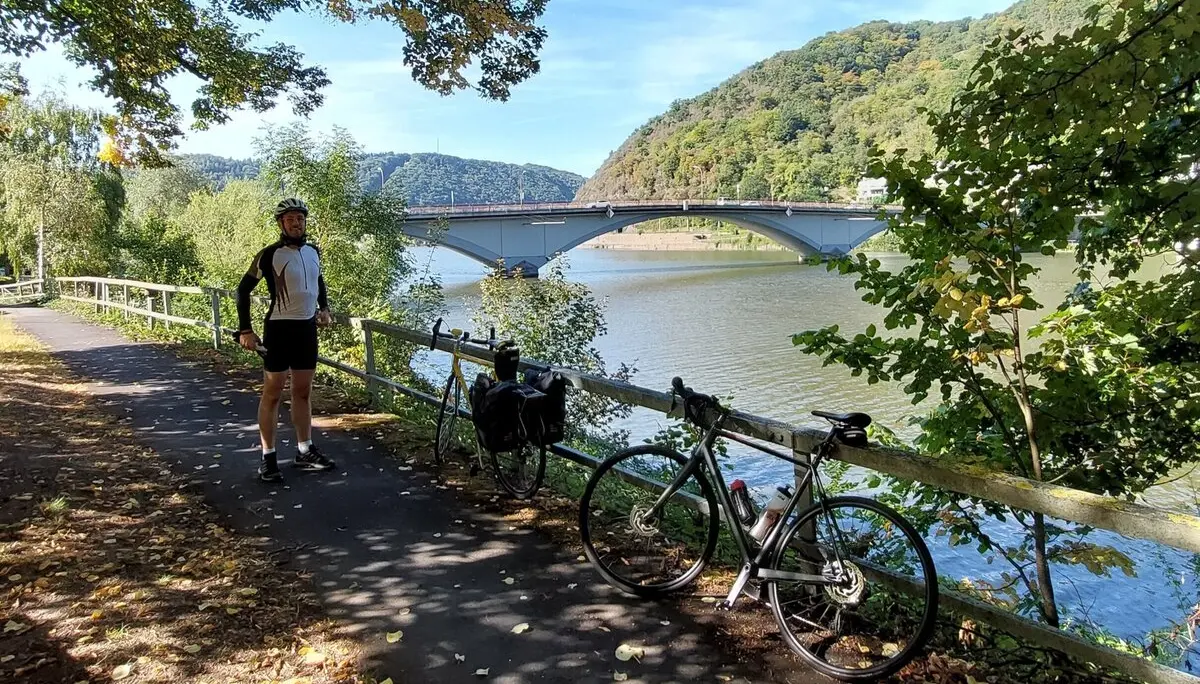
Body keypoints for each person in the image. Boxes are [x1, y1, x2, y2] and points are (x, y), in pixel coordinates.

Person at [237, 197, 336, 482]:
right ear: (281, 223)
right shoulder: (269, 254)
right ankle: (268, 457)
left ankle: (304, 450)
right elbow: (242, 290)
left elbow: (318, 281)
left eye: (300, 219)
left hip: (306, 329)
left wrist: (324, 308)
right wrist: (245, 330)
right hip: (279, 330)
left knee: (303, 391)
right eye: (290, 219)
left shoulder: (314, 252)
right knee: (273, 392)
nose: (296, 223)